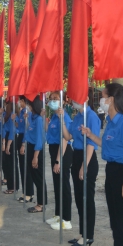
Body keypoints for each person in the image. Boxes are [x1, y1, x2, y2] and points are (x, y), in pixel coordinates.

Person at [82, 83, 123, 246]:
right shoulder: (110, 121)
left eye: (104, 97)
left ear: (111, 99)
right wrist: (91, 135)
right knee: (114, 220)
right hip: (111, 171)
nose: (101, 100)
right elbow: (107, 145)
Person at [60, 97, 100, 246]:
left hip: (87, 158)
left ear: (86, 98)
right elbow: (68, 136)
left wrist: (85, 165)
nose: (73, 101)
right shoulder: (77, 116)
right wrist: (63, 119)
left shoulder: (92, 117)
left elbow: (91, 143)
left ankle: (89, 235)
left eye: (77, 97)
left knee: (87, 198)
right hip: (76, 156)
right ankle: (82, 232)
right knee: (78, 197)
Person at [46, 92, 73, 230]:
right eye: (51, 99)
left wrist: (58, 161)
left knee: (63, 185)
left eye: (55, 99)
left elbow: (65, 139)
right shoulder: (54, 117)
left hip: (62, 153)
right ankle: (58, 214)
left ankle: (66, 219)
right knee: (57, 185)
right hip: (53, 150)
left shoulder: (64, 117)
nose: (52, 102)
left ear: (62, 101)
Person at [23, 95, 47, 213]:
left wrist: (35, 156)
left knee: (39, 178)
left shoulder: (39, 119)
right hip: (30, 147)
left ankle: (41, 204)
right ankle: (40, 202)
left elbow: (39, 139)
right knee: (34, 176)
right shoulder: (33, 117)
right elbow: (29, 132)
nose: (27, 106)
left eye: (29, 104)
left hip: (36, 149)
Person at [15, 96, 34, 203]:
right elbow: (19, 126)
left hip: (25, 139)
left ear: (23, 101)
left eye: (19, 101)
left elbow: (28, 129)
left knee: (26, 168)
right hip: (20, 137)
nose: (18, 103)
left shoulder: (28, 112)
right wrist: (15, 120)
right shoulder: (21, 112)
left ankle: (29, 193)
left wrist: (23, 144)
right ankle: (24, 192)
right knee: (22, 167)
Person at [2, 101, 18, 194]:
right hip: (7, 137)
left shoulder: (12, 115)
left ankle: (13, 186)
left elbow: (12, 131)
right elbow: (4, 128)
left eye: (6, 104)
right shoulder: (7, 115)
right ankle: (10, 185)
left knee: (11, 164)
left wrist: (7, 145)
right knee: (7, 164)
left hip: (11, 139)